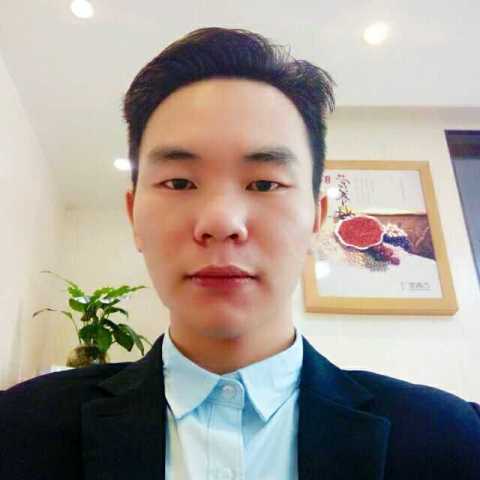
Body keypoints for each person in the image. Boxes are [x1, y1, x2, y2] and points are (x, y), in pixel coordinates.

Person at [1, 27, 479, 480]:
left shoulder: (453, 441)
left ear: (316, 217)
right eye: (179, 182)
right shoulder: (18, 429)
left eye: (264, 184)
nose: (221, 222)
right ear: (134, 215)